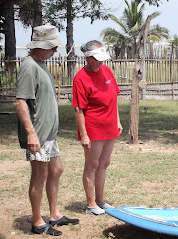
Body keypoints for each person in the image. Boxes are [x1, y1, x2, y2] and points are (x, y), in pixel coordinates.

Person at [15, 25, 79, 236]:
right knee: (39, 176)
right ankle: (37, 221)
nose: (54, 51)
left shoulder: (41, 64)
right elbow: (21, 102)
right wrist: (31, 133)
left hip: (49, 134)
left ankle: (54, 214)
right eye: (51, 47)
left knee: (57, 170)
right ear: (40, 47)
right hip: (39, 135)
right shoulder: (29, 66)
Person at [72, 40, 123, 216]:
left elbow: (114, 97)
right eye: (97, 59)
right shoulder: (80, 78)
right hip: (93, 127)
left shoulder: (107, 71)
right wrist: (84, 135)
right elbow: (79, 109)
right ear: (88, 58)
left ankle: (100, 200)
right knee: (92, 164)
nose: (101, 62)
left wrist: (117, 121)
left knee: (104, 163)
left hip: (110, 126)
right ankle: (91, 204)